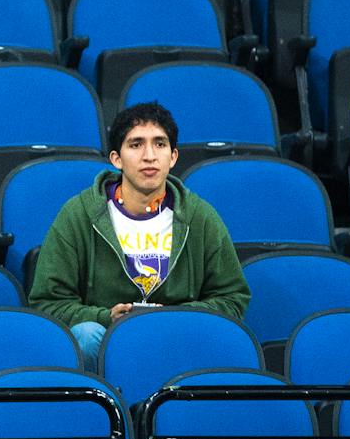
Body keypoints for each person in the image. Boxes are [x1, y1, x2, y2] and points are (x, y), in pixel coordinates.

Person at [27, 103, 250, 372]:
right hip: (106, 340)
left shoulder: (199, 216)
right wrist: (106, 316)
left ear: (173, 156)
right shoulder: (78, 214)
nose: (149, 156)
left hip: (179, 339)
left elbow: (232, 297)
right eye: (135, 145)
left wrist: (173, 317)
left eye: (159, 144)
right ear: (116, 158)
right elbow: (47, 303)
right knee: (85, 336)